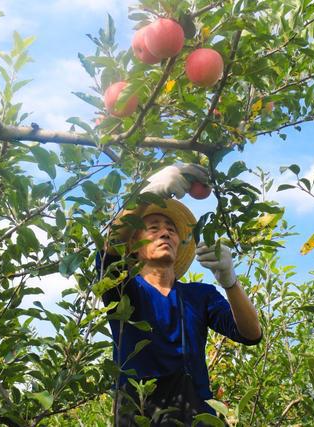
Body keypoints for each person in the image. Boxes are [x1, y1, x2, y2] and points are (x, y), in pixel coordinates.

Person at [97, 164, 262, 426]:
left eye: (171, 229)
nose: (165, 232)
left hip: (198, 414)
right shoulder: (125, 290)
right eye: (153, 228)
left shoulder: (200, 295)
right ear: (135, 245)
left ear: (178, 243)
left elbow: (250, 334)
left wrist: (231, 282)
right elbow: (109, 253)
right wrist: (147, 194)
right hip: (139, 414)